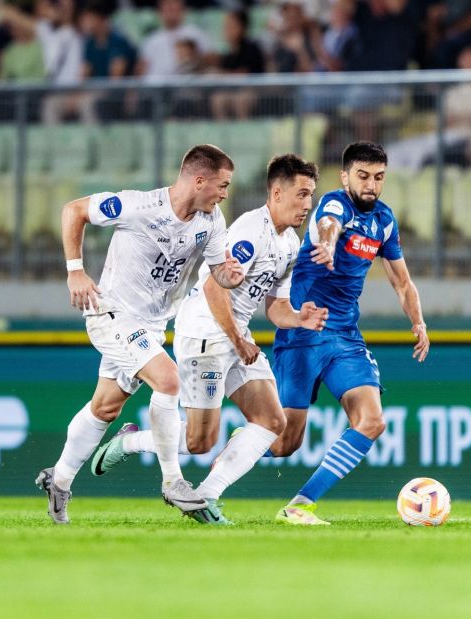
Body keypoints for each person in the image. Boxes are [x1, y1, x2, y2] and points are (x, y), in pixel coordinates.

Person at [89, 154, 330, 525]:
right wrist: (237, 338)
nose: (307, 204)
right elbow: (213, 285)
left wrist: (298, 318)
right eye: (301, 194)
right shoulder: (251, 228)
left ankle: (205, 496)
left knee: (271, 421)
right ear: (277, 192)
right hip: (205, 332)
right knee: (201, 441)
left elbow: (276, 305)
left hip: (236, 334)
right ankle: (130, 442)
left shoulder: (290, 245)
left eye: (310, 195)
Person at [35, 144, 244, 524]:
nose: (225, 193)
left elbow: (220, 272)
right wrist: (75, 270)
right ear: (200, 180)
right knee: (167, 380)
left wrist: (231, 276)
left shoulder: (212, 222)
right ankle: (172, 482)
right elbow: (74, 210)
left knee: (105, 407)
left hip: (150, 325)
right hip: (111, 311)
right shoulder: (137, 206)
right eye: (223, 185)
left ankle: (59, 478)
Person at [272, 141, 430, 525]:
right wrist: (326, 244)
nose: (371, 185)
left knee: (372, 421)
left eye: (378, 177)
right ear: (345, 177)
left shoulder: (384, 220)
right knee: (283, 442)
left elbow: (402, 282)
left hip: (344, 335)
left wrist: (418, 321)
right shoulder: (333, 204)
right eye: (363, 176)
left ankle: (300, 505)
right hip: (305, 330)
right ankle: (198, 444)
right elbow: (329, 225)